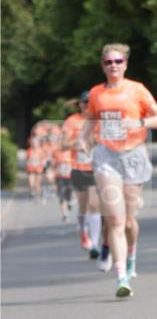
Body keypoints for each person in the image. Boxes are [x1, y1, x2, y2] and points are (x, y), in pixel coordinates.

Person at [82, 44, 157, 297]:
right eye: (108, 62)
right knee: (115, 219)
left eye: (118, 61)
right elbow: (89, 120)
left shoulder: (137, 89)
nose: (113, 66)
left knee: (129, 221)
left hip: (133, 155)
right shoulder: (97, 93)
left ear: (125, 64)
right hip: (106, 156)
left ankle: (131, 256)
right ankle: (121, 277)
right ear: (103, 65)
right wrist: (85, 142)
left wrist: (139, 121)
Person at [62, 93, 102, 257]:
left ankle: (94, 245)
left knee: (94, 205)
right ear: (79, 104)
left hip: (95, 167)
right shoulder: (71, 121)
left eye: (90, 102)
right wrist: (76, 143)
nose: (87, 105)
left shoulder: (98, 120)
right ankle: (83, 231)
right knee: (83, 205)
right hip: (78, 167)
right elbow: (63, 145)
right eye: (84, 102)